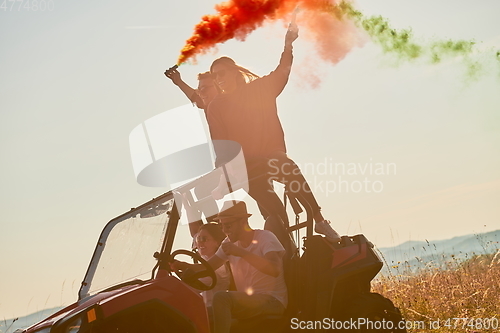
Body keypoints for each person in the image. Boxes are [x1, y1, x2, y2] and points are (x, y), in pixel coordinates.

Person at [207, 23, 341, 242]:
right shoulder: (216, 107)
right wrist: (223, 175)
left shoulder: (260, 89)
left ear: (234, 72)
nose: (218, 79)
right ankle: (286, 259)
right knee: (275, 215)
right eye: (214, 76)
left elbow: (282, 71)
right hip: (246, 168)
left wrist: (288, 45)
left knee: (288, 168)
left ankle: (319, 221)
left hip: (271, 156)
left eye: (221, 73)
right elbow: (221, 144)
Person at [172, 200, 288, 333]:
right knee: (197, 314)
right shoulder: (228, 243)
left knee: (221, 298)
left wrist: (240, 252)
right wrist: (184, 265)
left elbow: (274, 269)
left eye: (228, 226)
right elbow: (208, 268)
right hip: (247, 301)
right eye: (222, 226)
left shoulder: (265, 237)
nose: (225, 231)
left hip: (272, 301)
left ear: (243, 222)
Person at [164, 69, 220, 236]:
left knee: (203, 191)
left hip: (241, 159)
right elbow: (197, 98)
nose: (201, 93)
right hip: (223, 160)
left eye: (205, 88)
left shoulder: (228, 104)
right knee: (201, 190)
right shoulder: (210, 106)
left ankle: (218, 229)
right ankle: (216, 230)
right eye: (200, 88)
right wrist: (179, 81)